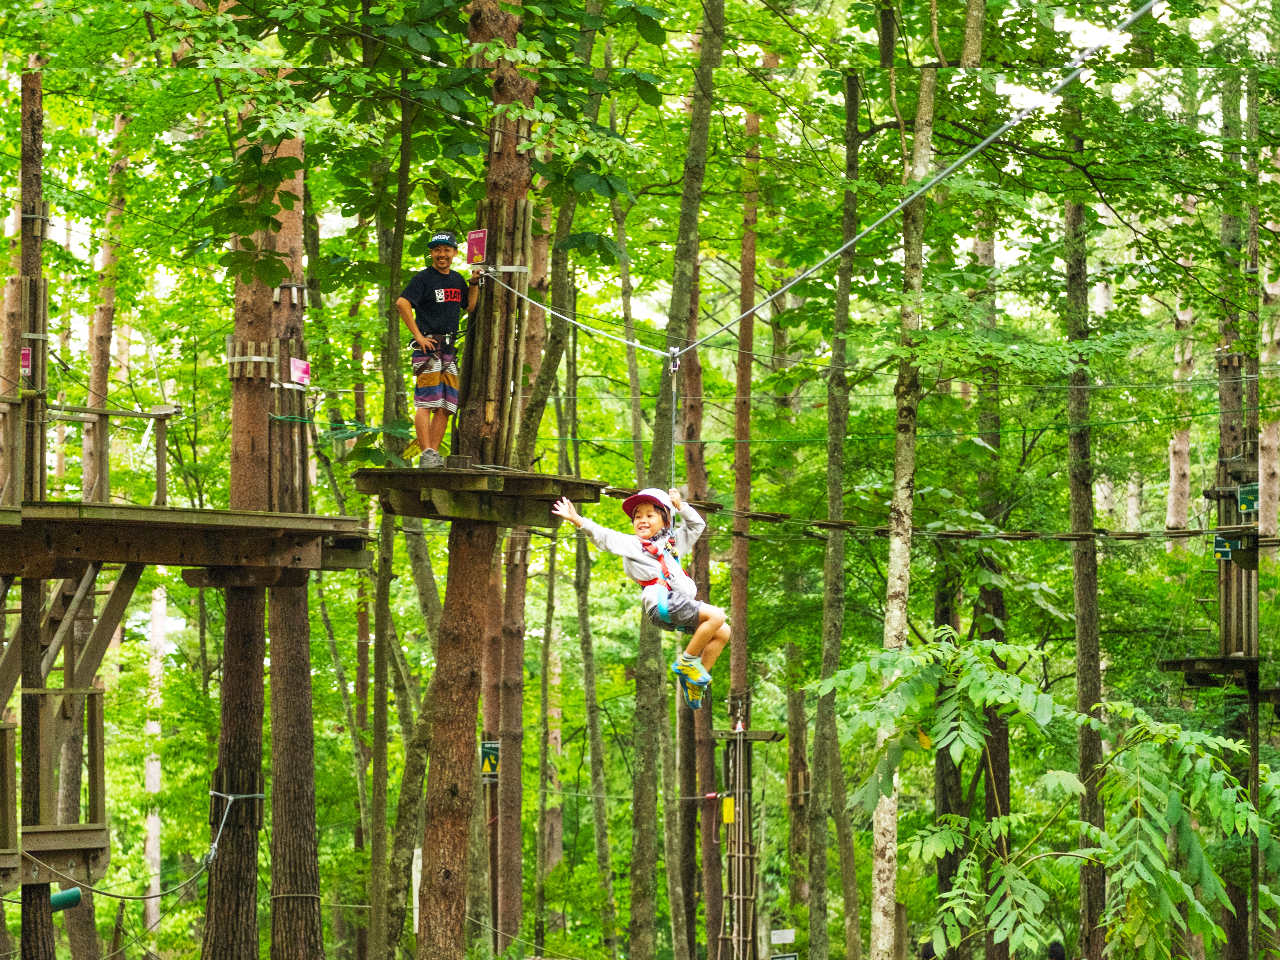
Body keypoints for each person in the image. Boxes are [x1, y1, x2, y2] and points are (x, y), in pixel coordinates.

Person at [552, 487, 730, 709]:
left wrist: (681, 507)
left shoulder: (672, 545)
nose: (642, 520)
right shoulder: (634, 545)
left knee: (723, 631)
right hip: (661, 602)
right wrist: (577, 519)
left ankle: (696, 681)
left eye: (649, 515)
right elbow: (605, 536)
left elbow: (697, 526)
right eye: (637, 516)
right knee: (717, 615)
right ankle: (687, 663)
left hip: (675, 605)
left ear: (666, 520)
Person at [395, 230, 480, 468]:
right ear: (431, 253)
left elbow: (470, 307)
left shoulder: (456, 279)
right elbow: (402, 303)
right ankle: (427, 453)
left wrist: (473, 283)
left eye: (446, 250)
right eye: (437, 250)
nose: (442, 255)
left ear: (454, 253)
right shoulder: (423, 278)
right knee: (427, 401)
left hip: (449, 349)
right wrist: (419, 336)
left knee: (447, 404)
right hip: (429, 348)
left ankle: (432, 454)